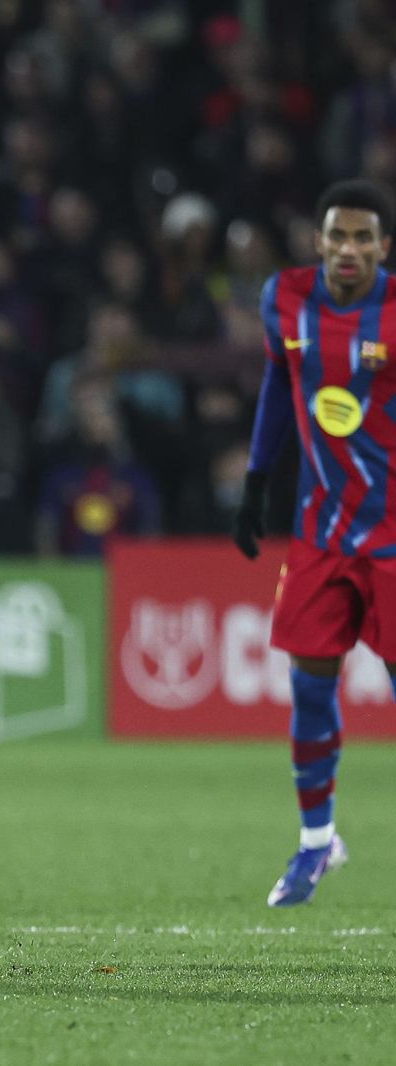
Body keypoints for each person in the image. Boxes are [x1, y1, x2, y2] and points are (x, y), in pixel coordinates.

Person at [234, 178, 396, 907]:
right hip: (322, 531)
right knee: (309, 682)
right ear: (320, 240)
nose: (350, 249)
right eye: (339, 236)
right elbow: (278, 376)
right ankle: (316, 843)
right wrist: (256, 479)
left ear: (384, 248)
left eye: (365, 238)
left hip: (393, 534)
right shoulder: (286, 298)